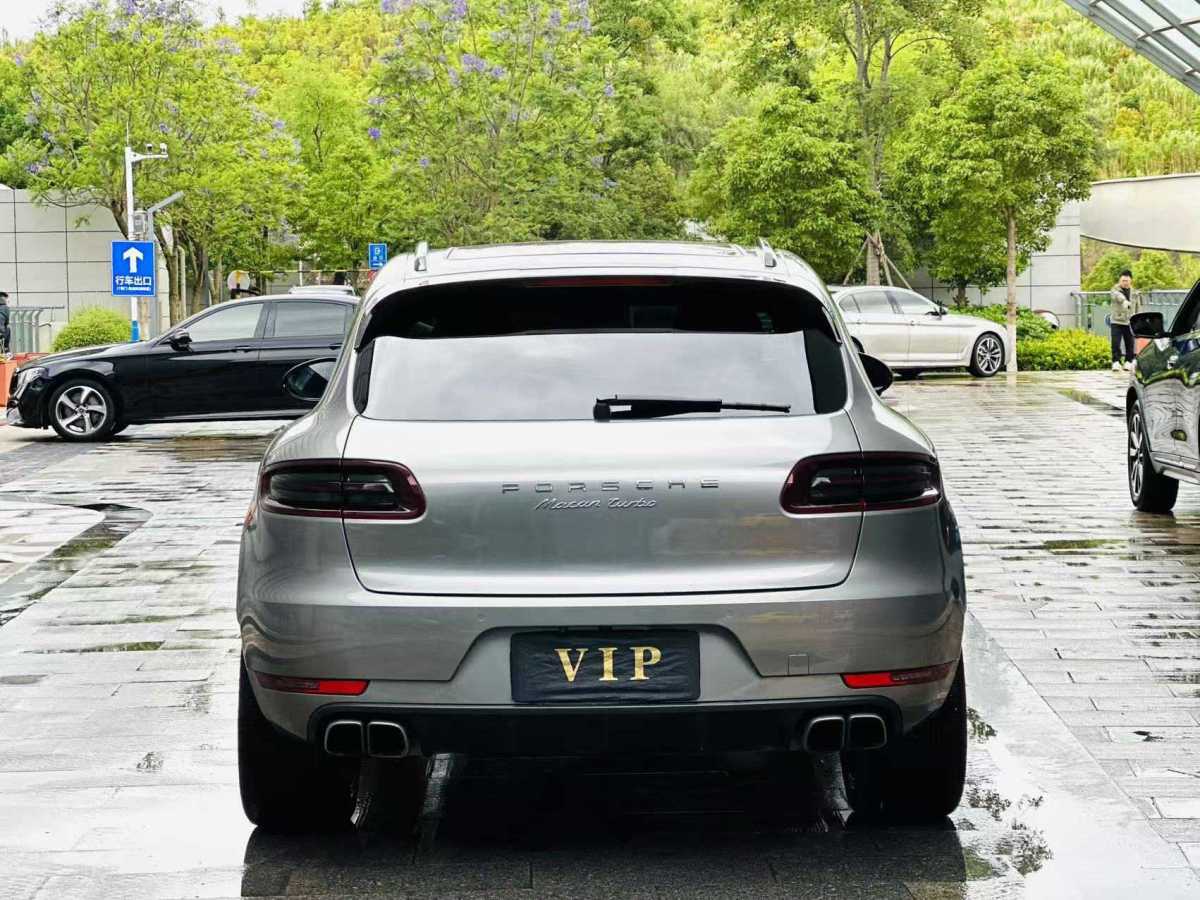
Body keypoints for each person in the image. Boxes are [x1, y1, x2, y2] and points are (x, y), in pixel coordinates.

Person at [1109, 269, 1139, 371]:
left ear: (1131, 281)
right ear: (1120, 280)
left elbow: (1138, 306)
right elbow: (1118, 296)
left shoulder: (1135, 292)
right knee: (1115, 343)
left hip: (1130, 321)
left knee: (1130, 343)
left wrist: (1138, 318)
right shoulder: (1114, 290)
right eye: (1123, 280)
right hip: (1117, 321)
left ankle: (1128, 361)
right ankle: (1116, 362)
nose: (1125, 282)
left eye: (1127, 281)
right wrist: (1124, 301)